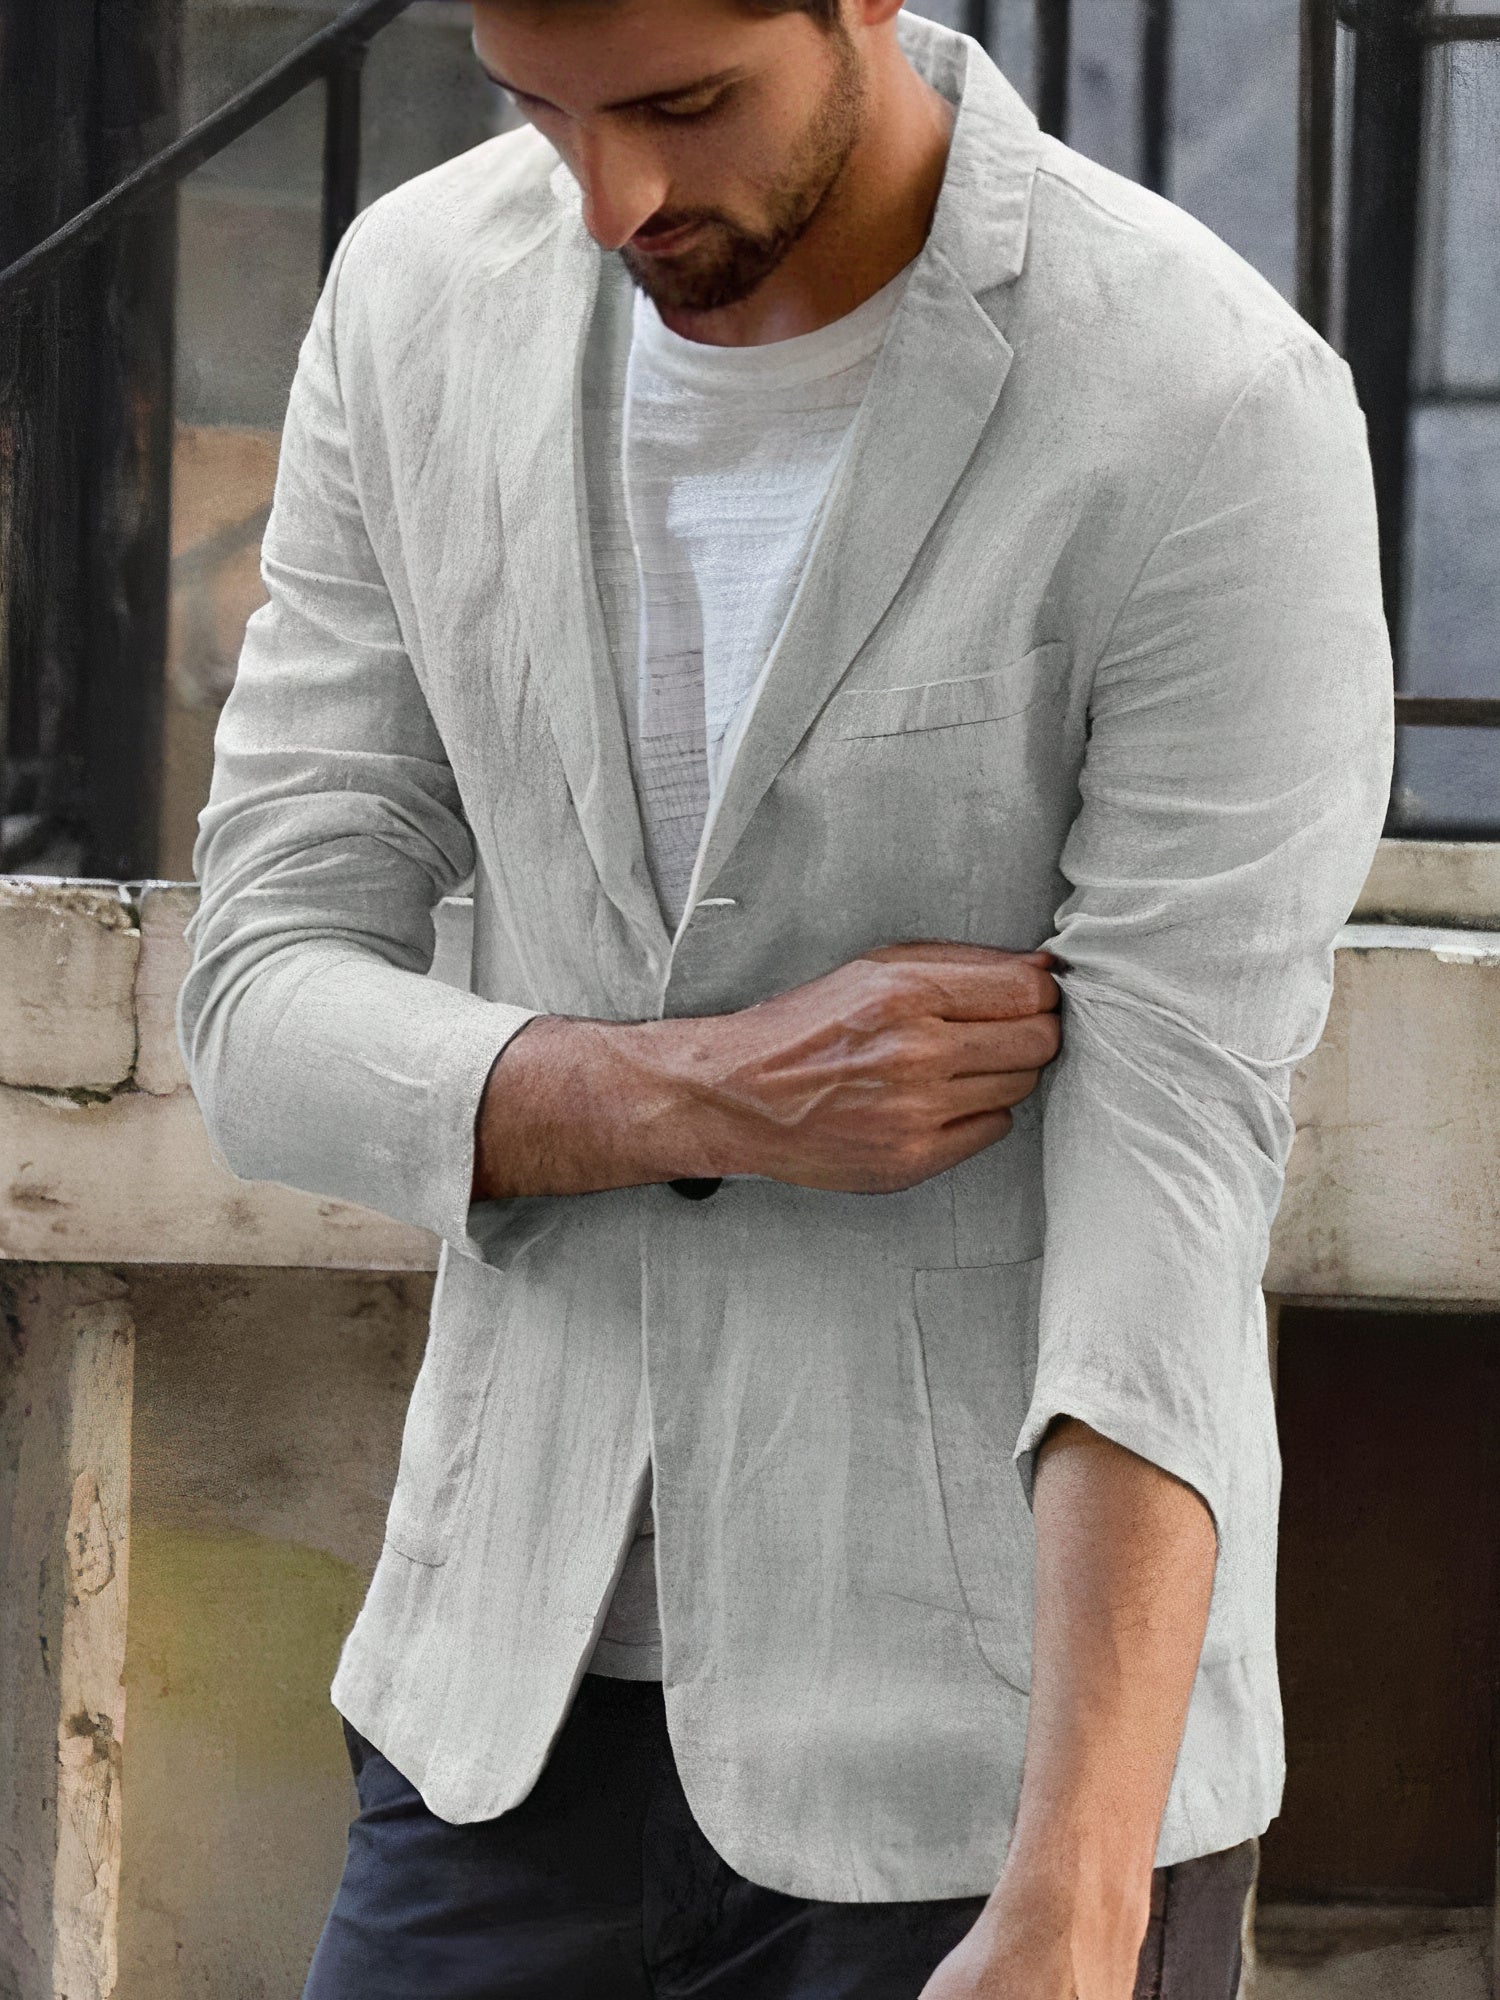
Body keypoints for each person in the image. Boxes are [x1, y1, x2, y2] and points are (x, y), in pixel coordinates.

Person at [176, 0, 1394, 1993]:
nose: (612, 197)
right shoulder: (415, 301)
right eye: (540, 109)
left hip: (983, 1771)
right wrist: (700, 1092)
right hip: (499, 1718)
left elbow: (1169, 1177)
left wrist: (1079, 1886)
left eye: (685, 104)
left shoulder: (1201, 400)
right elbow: (257, 1001)